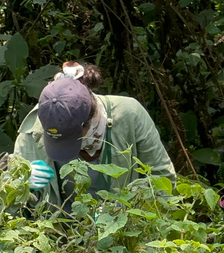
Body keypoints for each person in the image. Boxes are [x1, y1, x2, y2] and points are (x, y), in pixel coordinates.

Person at [13, 61, 176, 210]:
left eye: (69, 138)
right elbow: (11, 210)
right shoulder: (32, 133)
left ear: (88, 122)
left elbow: (163, 181)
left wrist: (129, 206)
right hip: (62, 234)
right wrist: (19, 185)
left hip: (126, 232)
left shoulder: (130, 115)